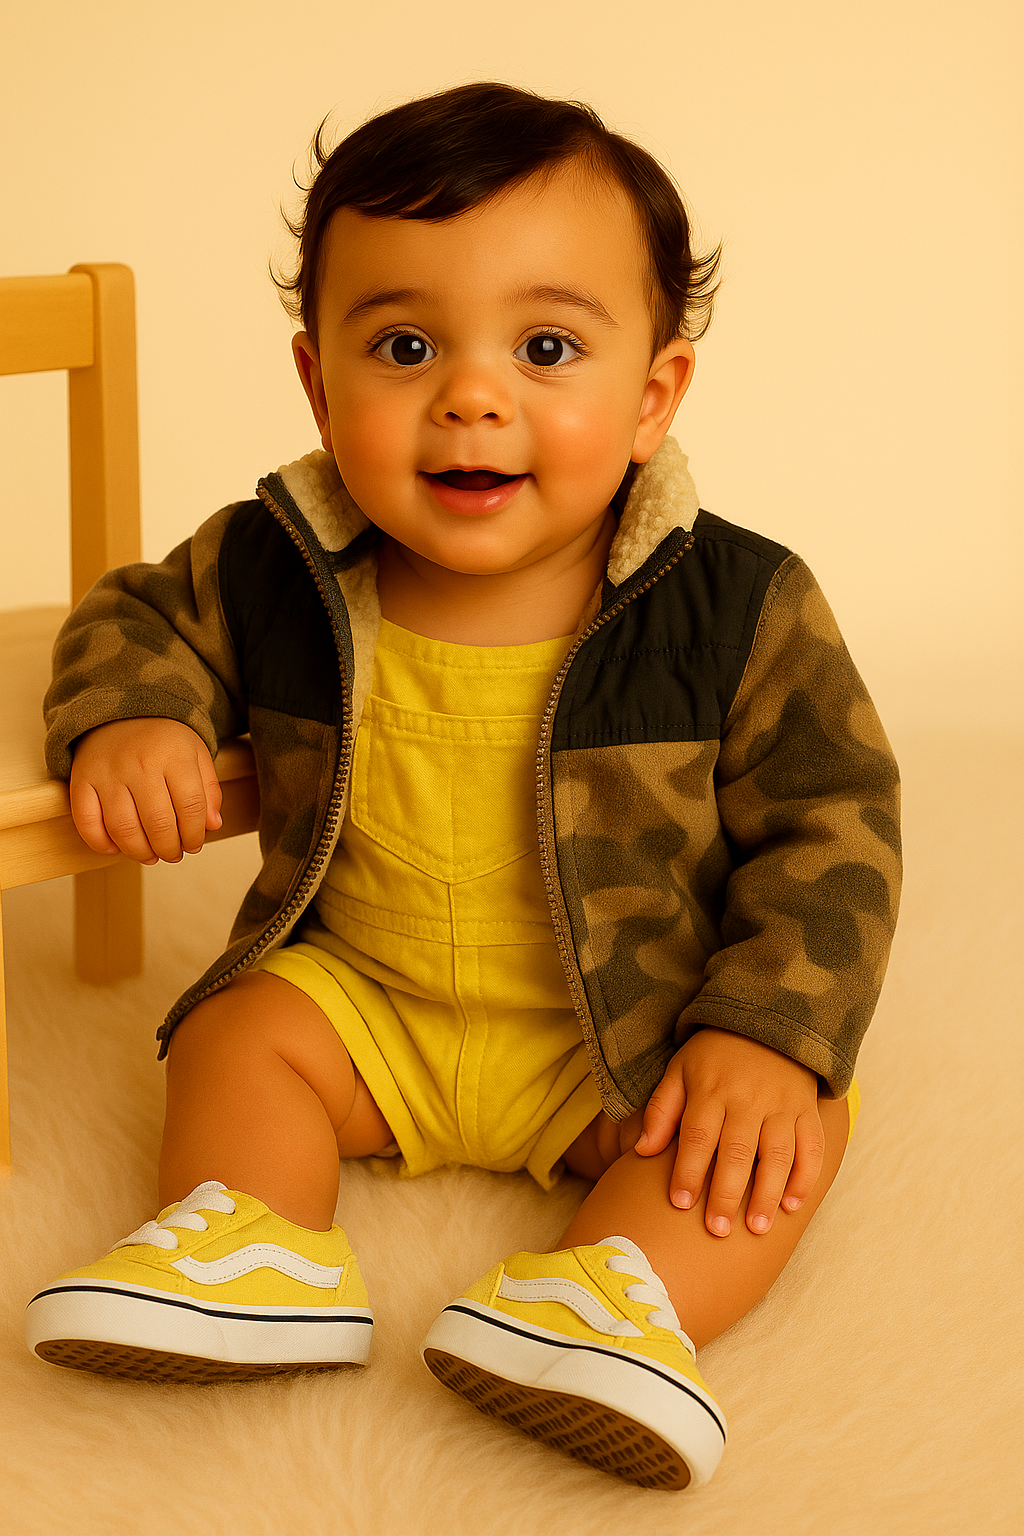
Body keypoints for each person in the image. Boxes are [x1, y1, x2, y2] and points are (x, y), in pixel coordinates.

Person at [23, 83, 901, 1492]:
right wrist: (133, 717)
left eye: (546, 347)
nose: (472, 396)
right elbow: (134, 619)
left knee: (776, 1128)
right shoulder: (275, 562)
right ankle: (254, 1243)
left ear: (652, 395)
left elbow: (835, 823)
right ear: (320, 386)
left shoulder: (738, 603)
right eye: (405, 345)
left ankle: (613, 1298)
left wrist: (765, 1033)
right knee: (234, 1032)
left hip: (623, 1039)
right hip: (363, 1006)